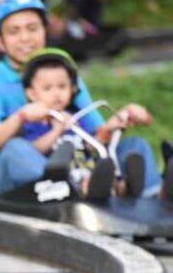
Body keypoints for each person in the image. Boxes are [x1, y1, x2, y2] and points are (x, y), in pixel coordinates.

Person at [0, 0, 167, 199]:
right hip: (14, 181)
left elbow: (96, 134)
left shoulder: (62, 72)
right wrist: (22, 116)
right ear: (0, 42)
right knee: (16, 149)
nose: (25, 38)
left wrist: (118, 120)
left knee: (135, 146)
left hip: (75, 163)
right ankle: (77, 187)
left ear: (45, 32)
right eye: (14, 32)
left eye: (33, 28)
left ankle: (156, 197)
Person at [21, 48, 154, 199]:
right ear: (31, 93)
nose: (56, 93)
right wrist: (57, 131)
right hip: (60, 180)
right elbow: (34, 150)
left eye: (62, 87)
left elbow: (91, 147)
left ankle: (127, 187)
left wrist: (109, 129)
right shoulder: (35, 123)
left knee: (105, 174)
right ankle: (94, 191)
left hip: (87, 170)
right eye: (48, 88)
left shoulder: (76, 118)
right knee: (83, 183)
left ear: (72, 89)